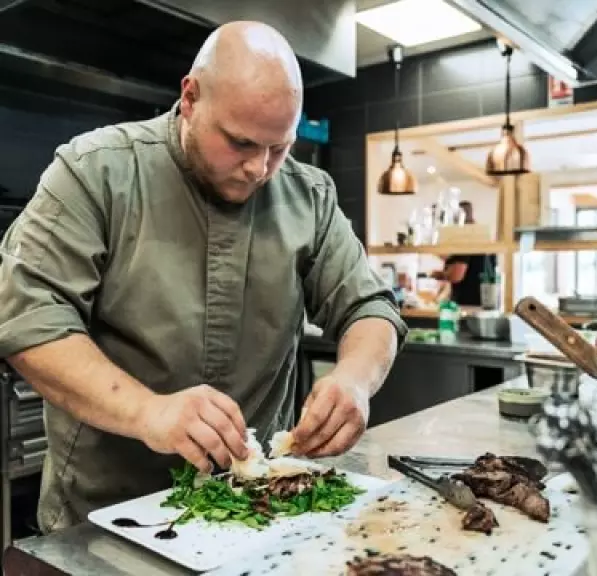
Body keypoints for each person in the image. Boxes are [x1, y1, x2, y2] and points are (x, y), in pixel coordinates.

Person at [0, 21, 407, 533]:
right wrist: (149, 412)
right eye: (240, 143)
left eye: (279, 148)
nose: (259, 168)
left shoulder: (310, 196)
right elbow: (28, 318)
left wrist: (354, 382)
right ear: (190, 98)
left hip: (259, 507)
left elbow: (369, 306)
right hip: (108, 515)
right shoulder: (94, 171)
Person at [432, 201, 497, 306]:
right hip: (487, 301)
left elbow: (456, 275)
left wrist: (437, 274)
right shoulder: (482, 237)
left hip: (467, 304)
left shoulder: (464, 238)